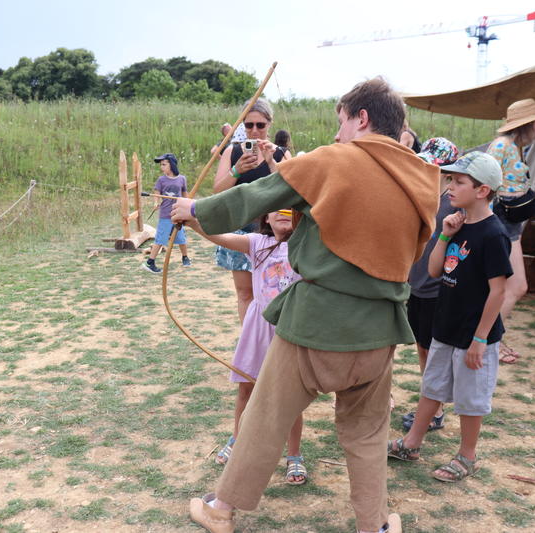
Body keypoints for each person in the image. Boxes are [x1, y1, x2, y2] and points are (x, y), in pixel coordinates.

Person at [172, 77, 439, 533]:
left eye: (342, 123)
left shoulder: (336, 158)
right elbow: (412, 253)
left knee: (264, 418)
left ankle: (221, 509)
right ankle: (374, 525)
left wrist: (195, 211)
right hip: (381, 331)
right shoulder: (424, 176)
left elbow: (257, 196)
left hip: (316, 324)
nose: (337, 136)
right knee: (368, 435)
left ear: (363, 118)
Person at [387, 151, 512, 485]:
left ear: (482, 190)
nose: (450, 187)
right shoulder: (457, 224)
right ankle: (412, 444)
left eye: (459, 182)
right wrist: (443, 234)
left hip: (475, 335)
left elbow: (498, 292)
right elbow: (433, 269)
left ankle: (467, 455)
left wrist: (481, 339)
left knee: (471, 400)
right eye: (451, 180)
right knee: (432, 387)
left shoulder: (493, 234)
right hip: (446, 327)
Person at [188, 210, 306, 485]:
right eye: (277, 207)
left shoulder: (308, 244)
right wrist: (193, 222)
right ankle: (238, 439)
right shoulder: (256, 243)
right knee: (246, 387)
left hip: (291, 329)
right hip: (258, 327)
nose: (284, 212)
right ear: (265, 217)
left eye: (291, 207)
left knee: (291, 397)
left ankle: (294, 455)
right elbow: (220, 237)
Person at [212, 98, 291, 324]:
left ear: (269, 124)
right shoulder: (232, 152)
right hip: (241, 230)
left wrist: (272, 162)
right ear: (242, 125)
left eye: (260, 125)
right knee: (245, 293)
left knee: (274, 292)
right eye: (249, 125)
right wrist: (237, 170)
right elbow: (218, 190)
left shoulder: (281, 153)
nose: (254, 131)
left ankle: (272, 342)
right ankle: (249, 342)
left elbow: (293, 190)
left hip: (273, 233)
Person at [487, 98, 535, 363]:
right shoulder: (503, 147)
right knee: (516, 287)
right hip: (501, 223)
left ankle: (492, 338)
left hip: (509, 225)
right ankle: (488, 339)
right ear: (529, 124)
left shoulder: (514, 147)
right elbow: (486, 185)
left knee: (504, 288)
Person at [401, 137, 460, 433]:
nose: (428, 171)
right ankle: (431, 403)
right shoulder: (418, 195)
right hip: (417, 286)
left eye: (436, 168)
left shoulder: (453, 205)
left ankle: (435, 411)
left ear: (449, 173)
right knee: (423, 348)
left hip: (440, 289)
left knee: (436, 352)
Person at [142, 153, 191, 273]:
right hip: (165, 215)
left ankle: (185, 257)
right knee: (160, 239)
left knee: (181, 238)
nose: (162, 167)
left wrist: (188, 205)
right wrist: (156, 202)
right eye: (161, 165)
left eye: (164, 164)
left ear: (172, 165)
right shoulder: (161, 180)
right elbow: (157, 192)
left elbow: (185, 194)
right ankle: (150, 262)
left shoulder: (182, 179)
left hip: (177, 214)